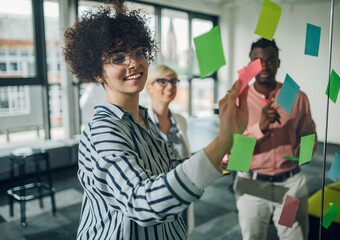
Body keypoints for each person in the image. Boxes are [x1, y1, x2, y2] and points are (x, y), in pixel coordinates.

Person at [62, 1, 248, 239]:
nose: (133, 62)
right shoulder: (102, 131)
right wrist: (221, 141)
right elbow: (142, 203)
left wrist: (230, 145)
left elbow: (174, 174)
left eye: (139, 52)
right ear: (97, 72)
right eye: (117, 58)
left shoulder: (145, 122)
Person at [232, 38, 317, 240]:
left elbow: (308, 134)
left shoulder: (295, 96)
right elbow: (232, 150)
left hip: (289, 185)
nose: (265, 66)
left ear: (278, 63)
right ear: (250, 64)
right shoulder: (238, 99)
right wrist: (259, 128)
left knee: (294, 236)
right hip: (251, 184)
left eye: (271, 60)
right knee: (253, 237)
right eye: (258, 60)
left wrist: (303, 153)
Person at [146, 65, 194, 234]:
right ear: (149, 88)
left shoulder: (181, 120)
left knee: (181, 232)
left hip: (182, 190)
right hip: (157, 194)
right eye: (162, 81)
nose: (170, 87)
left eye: (174, 82)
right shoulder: (141, 123)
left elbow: (186, 157)